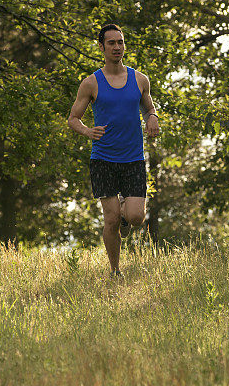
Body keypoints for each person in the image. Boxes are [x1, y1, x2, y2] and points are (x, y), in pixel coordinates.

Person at [68, 24, 160, 276]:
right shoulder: (90, 83)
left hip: (133, 159)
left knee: (135, 218)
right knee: (110, 220)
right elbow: (73, 118)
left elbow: (148, 107)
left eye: (120, 42)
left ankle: (123, 208)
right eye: (111, 43)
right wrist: (87, 131)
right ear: (102, 47)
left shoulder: (140, 79)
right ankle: (115, 271)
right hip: (103, 159)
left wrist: (152, 117)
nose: (117, 47)